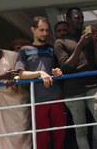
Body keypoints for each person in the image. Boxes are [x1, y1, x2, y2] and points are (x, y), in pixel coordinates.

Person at [54, 7, 97, 148]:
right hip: (73, 91)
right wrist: (79, 45)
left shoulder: (89, 39)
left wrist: (96, 41)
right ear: (68, 20)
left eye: (81, 18)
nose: (80, 21)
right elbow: (66, 68)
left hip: (92, 86)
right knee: (81, 131)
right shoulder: (60, 42)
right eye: (76, 18)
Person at [15, 17, 66, 149]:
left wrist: (57, 72)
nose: (44, 33)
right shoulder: (24, 50)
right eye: (41, 30)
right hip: (37, 100)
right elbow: (20, 74)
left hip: (56, 97)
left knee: (60, 136)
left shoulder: (52, 48)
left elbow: (58, 68)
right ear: (33, 30)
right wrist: (39, 73)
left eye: (47, 30)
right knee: (41, 139)